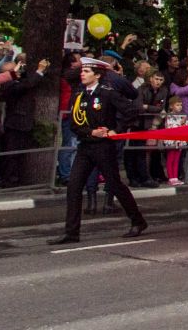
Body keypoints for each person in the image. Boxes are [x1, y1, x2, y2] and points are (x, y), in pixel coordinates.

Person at [47, 58, 147, 244]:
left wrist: (116, 129)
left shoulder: (107, 93)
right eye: (82, 71)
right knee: (74, 186)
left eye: (87, 71)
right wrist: (90, 132)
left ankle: (138, 221)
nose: (82, 74)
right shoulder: (80, 95)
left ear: (98, 75)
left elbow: (132, 111)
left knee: (115, 185)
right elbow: (75, 124)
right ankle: (71, 232)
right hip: (85, 146)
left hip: (103, 147)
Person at [0, 53, 49, 187]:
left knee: (10, 153)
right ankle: (9, 180)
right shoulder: (9, 85)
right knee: (12, 154)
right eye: (16, 70)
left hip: (17, 122)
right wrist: (39, 71)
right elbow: (27, 85)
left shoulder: (15, 81)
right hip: (15, 123)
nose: (19, 72)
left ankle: (0, 176)